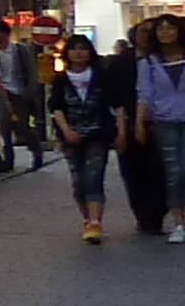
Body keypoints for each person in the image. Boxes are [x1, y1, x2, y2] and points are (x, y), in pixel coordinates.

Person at [50, 32, 119, 244]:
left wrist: (120, 130)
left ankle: (95, 221)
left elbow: (115, 105)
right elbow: (56, 108)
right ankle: (87, 218)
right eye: (74, 49)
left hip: (98, 134)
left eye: (83, 48)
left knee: (93, 177)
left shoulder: (101, 76)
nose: (78, 53)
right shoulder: (61, 81)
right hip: (71, 137)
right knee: (78, 181)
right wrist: (66, 131)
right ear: (67, 53)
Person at [129, 16, 185, 242]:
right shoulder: (149, 63)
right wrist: (140, 123)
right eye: (161, 29)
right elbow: (144, 94)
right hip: (164, 122)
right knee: (174, 171)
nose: (165, 33)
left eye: (170, 28)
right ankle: (179, 222)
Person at [0, 30, 47, 172]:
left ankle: (36, 151)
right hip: (3, 93)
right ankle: (8, 160)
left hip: (19, 92)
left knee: (22, 125)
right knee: (4, 127)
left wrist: (29, 92)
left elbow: (30, 70)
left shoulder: (19, 50)